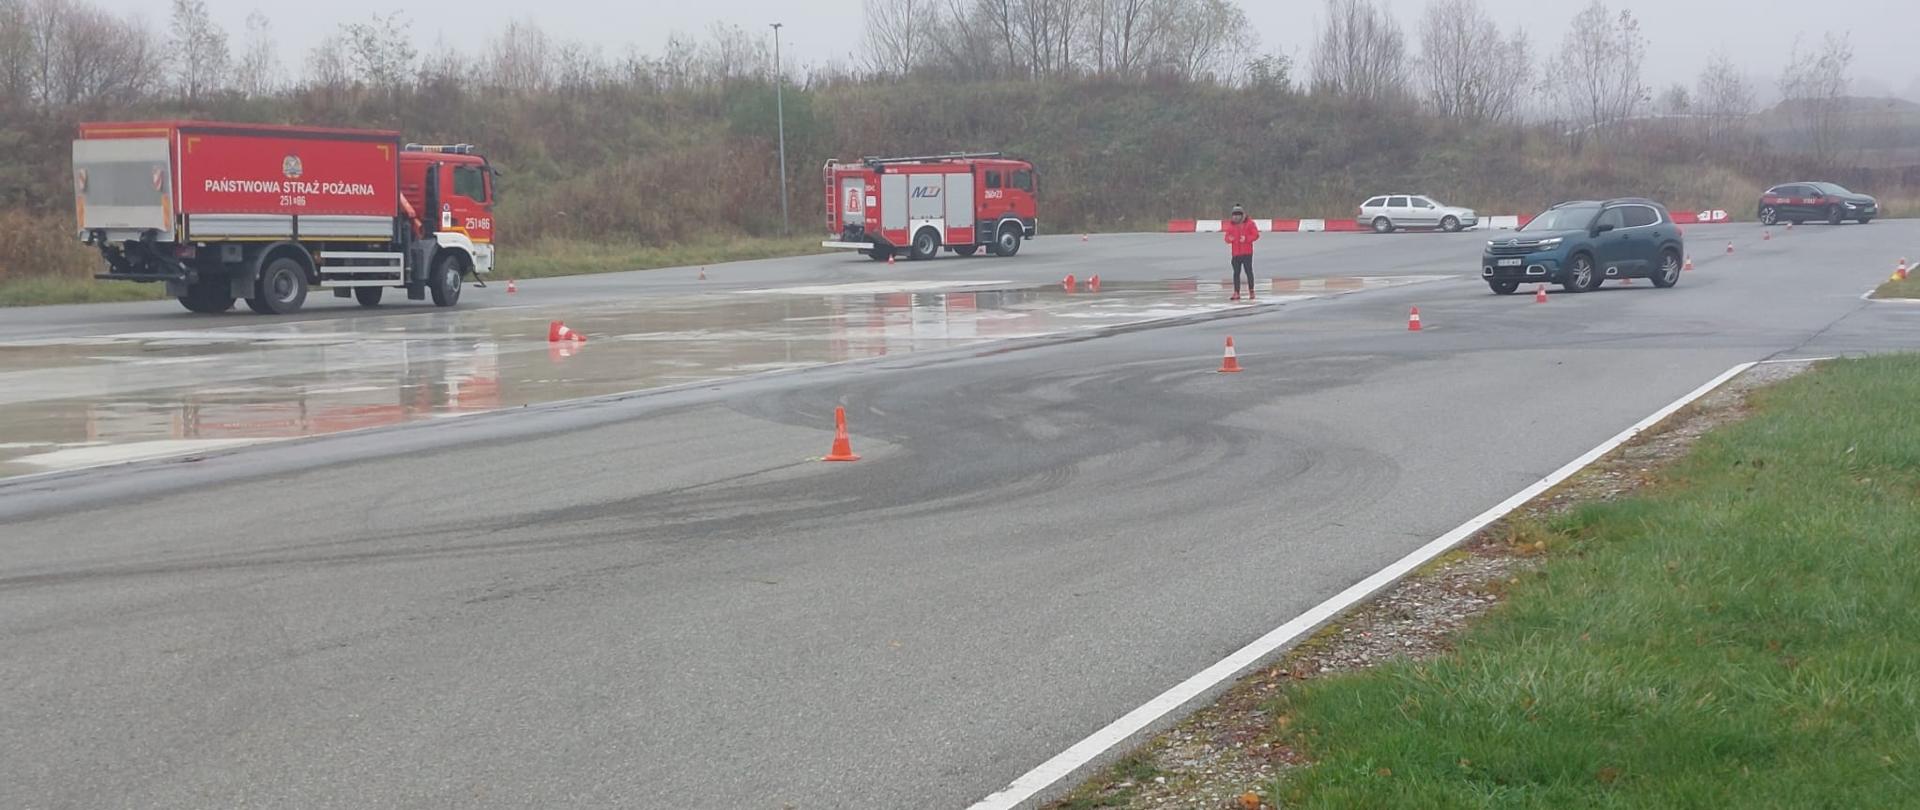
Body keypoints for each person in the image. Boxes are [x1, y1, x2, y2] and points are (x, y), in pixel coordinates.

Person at [1222, 205, 1259, 301]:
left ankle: (1251, 291)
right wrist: (1229, 239)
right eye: (1234, 215)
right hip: (1236, 254)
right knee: (1236, 273)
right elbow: (1226, 238)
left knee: (1248, 272)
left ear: (1242, 215)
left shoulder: (1250, 223)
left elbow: (1256, 235)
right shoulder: (1231, 225)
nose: (1236, 217)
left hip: (1247, 253)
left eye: (1238, 215)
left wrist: (1246, 239)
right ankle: (1236, 292)